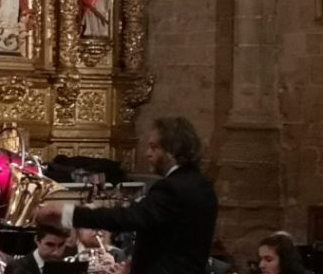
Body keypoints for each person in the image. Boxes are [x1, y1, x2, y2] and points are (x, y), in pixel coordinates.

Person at [44, 116, 218, 274]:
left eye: (154, 147)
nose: (147, 153)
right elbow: (173, 241)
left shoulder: (172, 188)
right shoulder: (203, 187)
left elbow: (128, 217)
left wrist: (68, 212)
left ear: (172, 151)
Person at [3, 220, 68, 274]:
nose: (56, 252)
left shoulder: (66, 269)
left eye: (61, 245)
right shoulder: (16, 269)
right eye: (50, 245)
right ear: (37, 240)